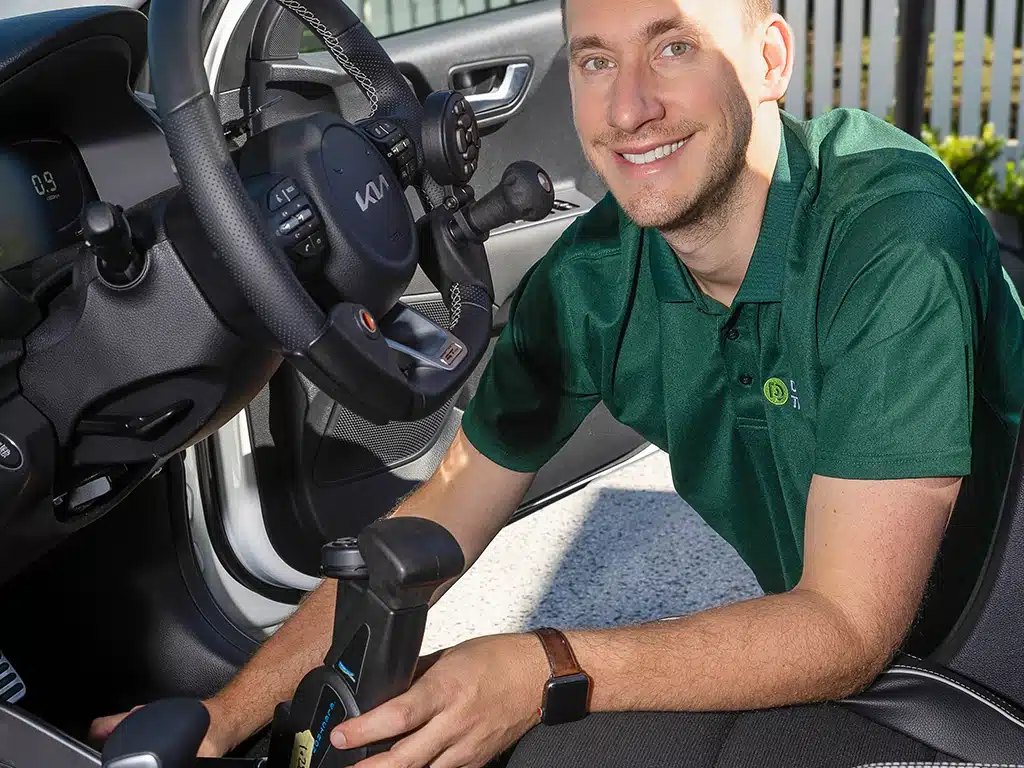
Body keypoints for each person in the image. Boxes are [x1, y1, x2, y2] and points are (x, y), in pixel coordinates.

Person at [92, 0, 1024, 765]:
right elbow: (437, 518)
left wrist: (541, 665)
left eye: (673, 46)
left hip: (983, 642)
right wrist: (230, 712)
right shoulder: (593, 278)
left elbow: (848, 629)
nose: (628, 110)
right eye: (592, 62)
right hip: (842, 622)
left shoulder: (893, 245)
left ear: (771, 57)